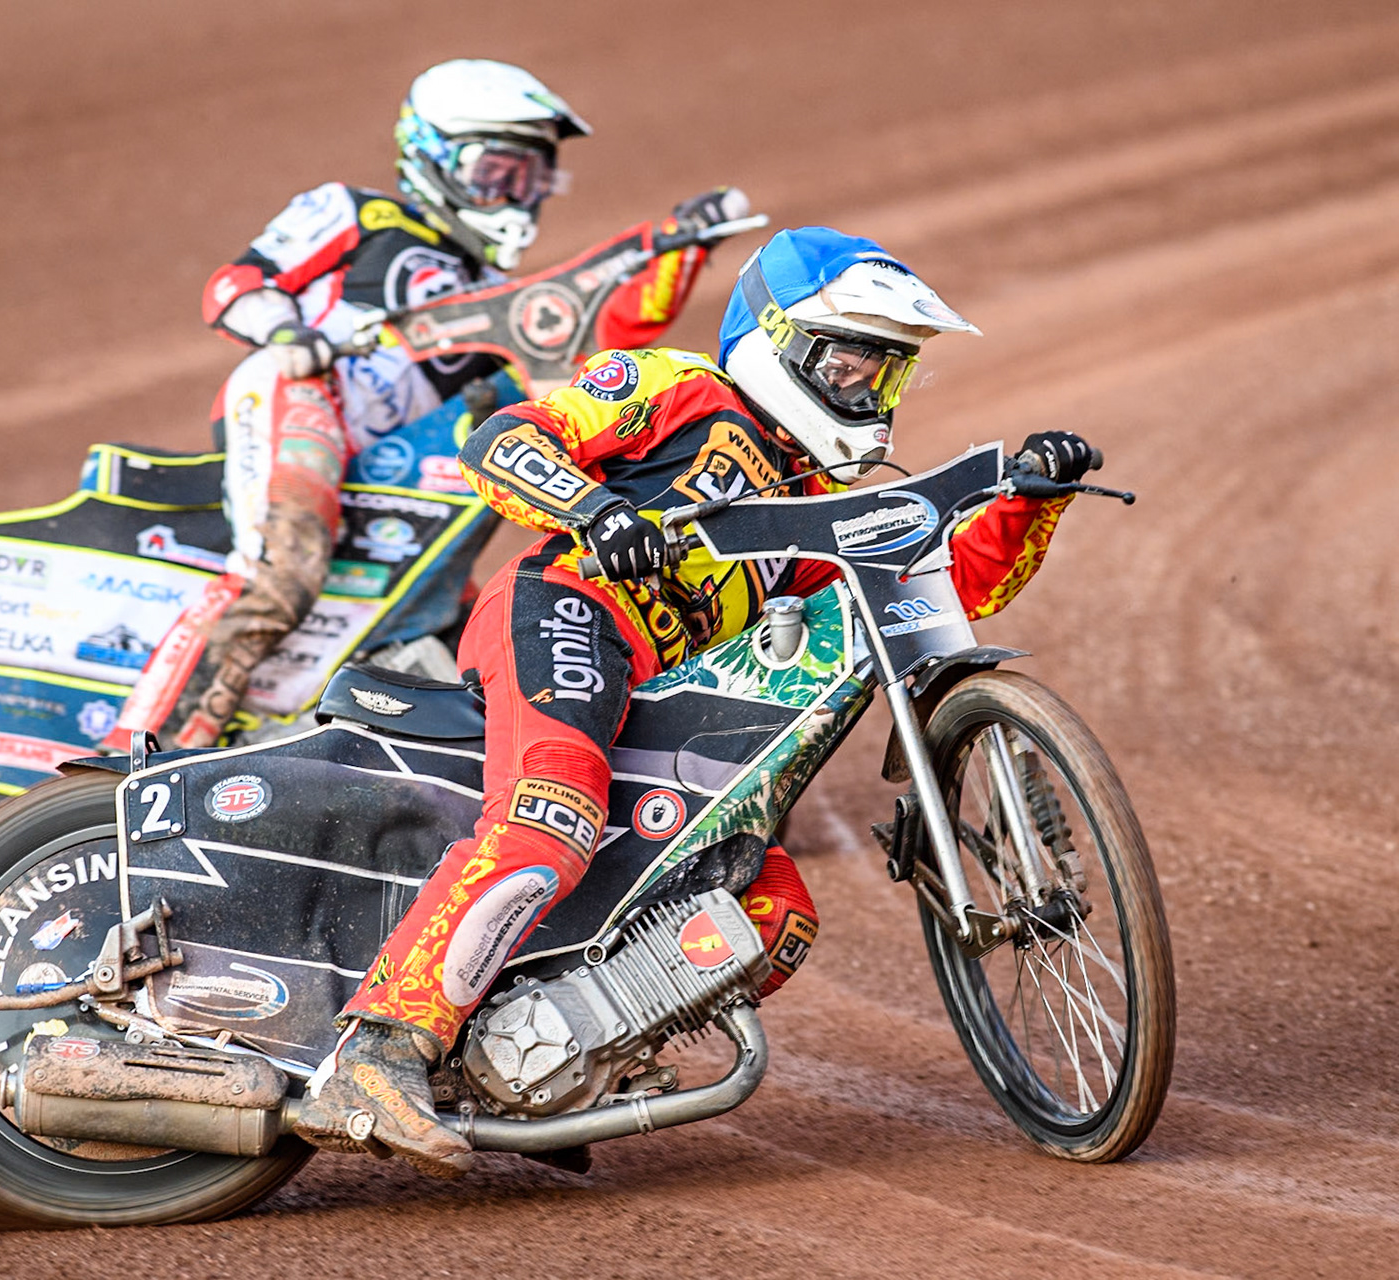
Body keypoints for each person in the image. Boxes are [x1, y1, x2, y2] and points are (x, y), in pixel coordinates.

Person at [292, 226, 1100, 1175]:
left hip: (653, 688)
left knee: (770, 906)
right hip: (567, 610)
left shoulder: (807, 498)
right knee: (550, 820)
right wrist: (597, 513)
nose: (868, 392)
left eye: (887, 374)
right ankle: (378, 1050)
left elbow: (941, 590)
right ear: (780, 341)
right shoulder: (681, 389)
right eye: (850, 362)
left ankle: (549, 1063)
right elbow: (502, 440)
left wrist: (1031, 498)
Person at [114, 58, 747, 749]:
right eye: (494, 173)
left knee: (456, 610)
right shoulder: (356, 213)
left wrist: (678, 248)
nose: (513, 196)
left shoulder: (490, 288)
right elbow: (235, 284)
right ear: (433, 155)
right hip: (302, 395)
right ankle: (137, 748)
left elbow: (604, 330)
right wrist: (289, 332)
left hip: (395, 461)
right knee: (281, 567)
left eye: (529, 178)